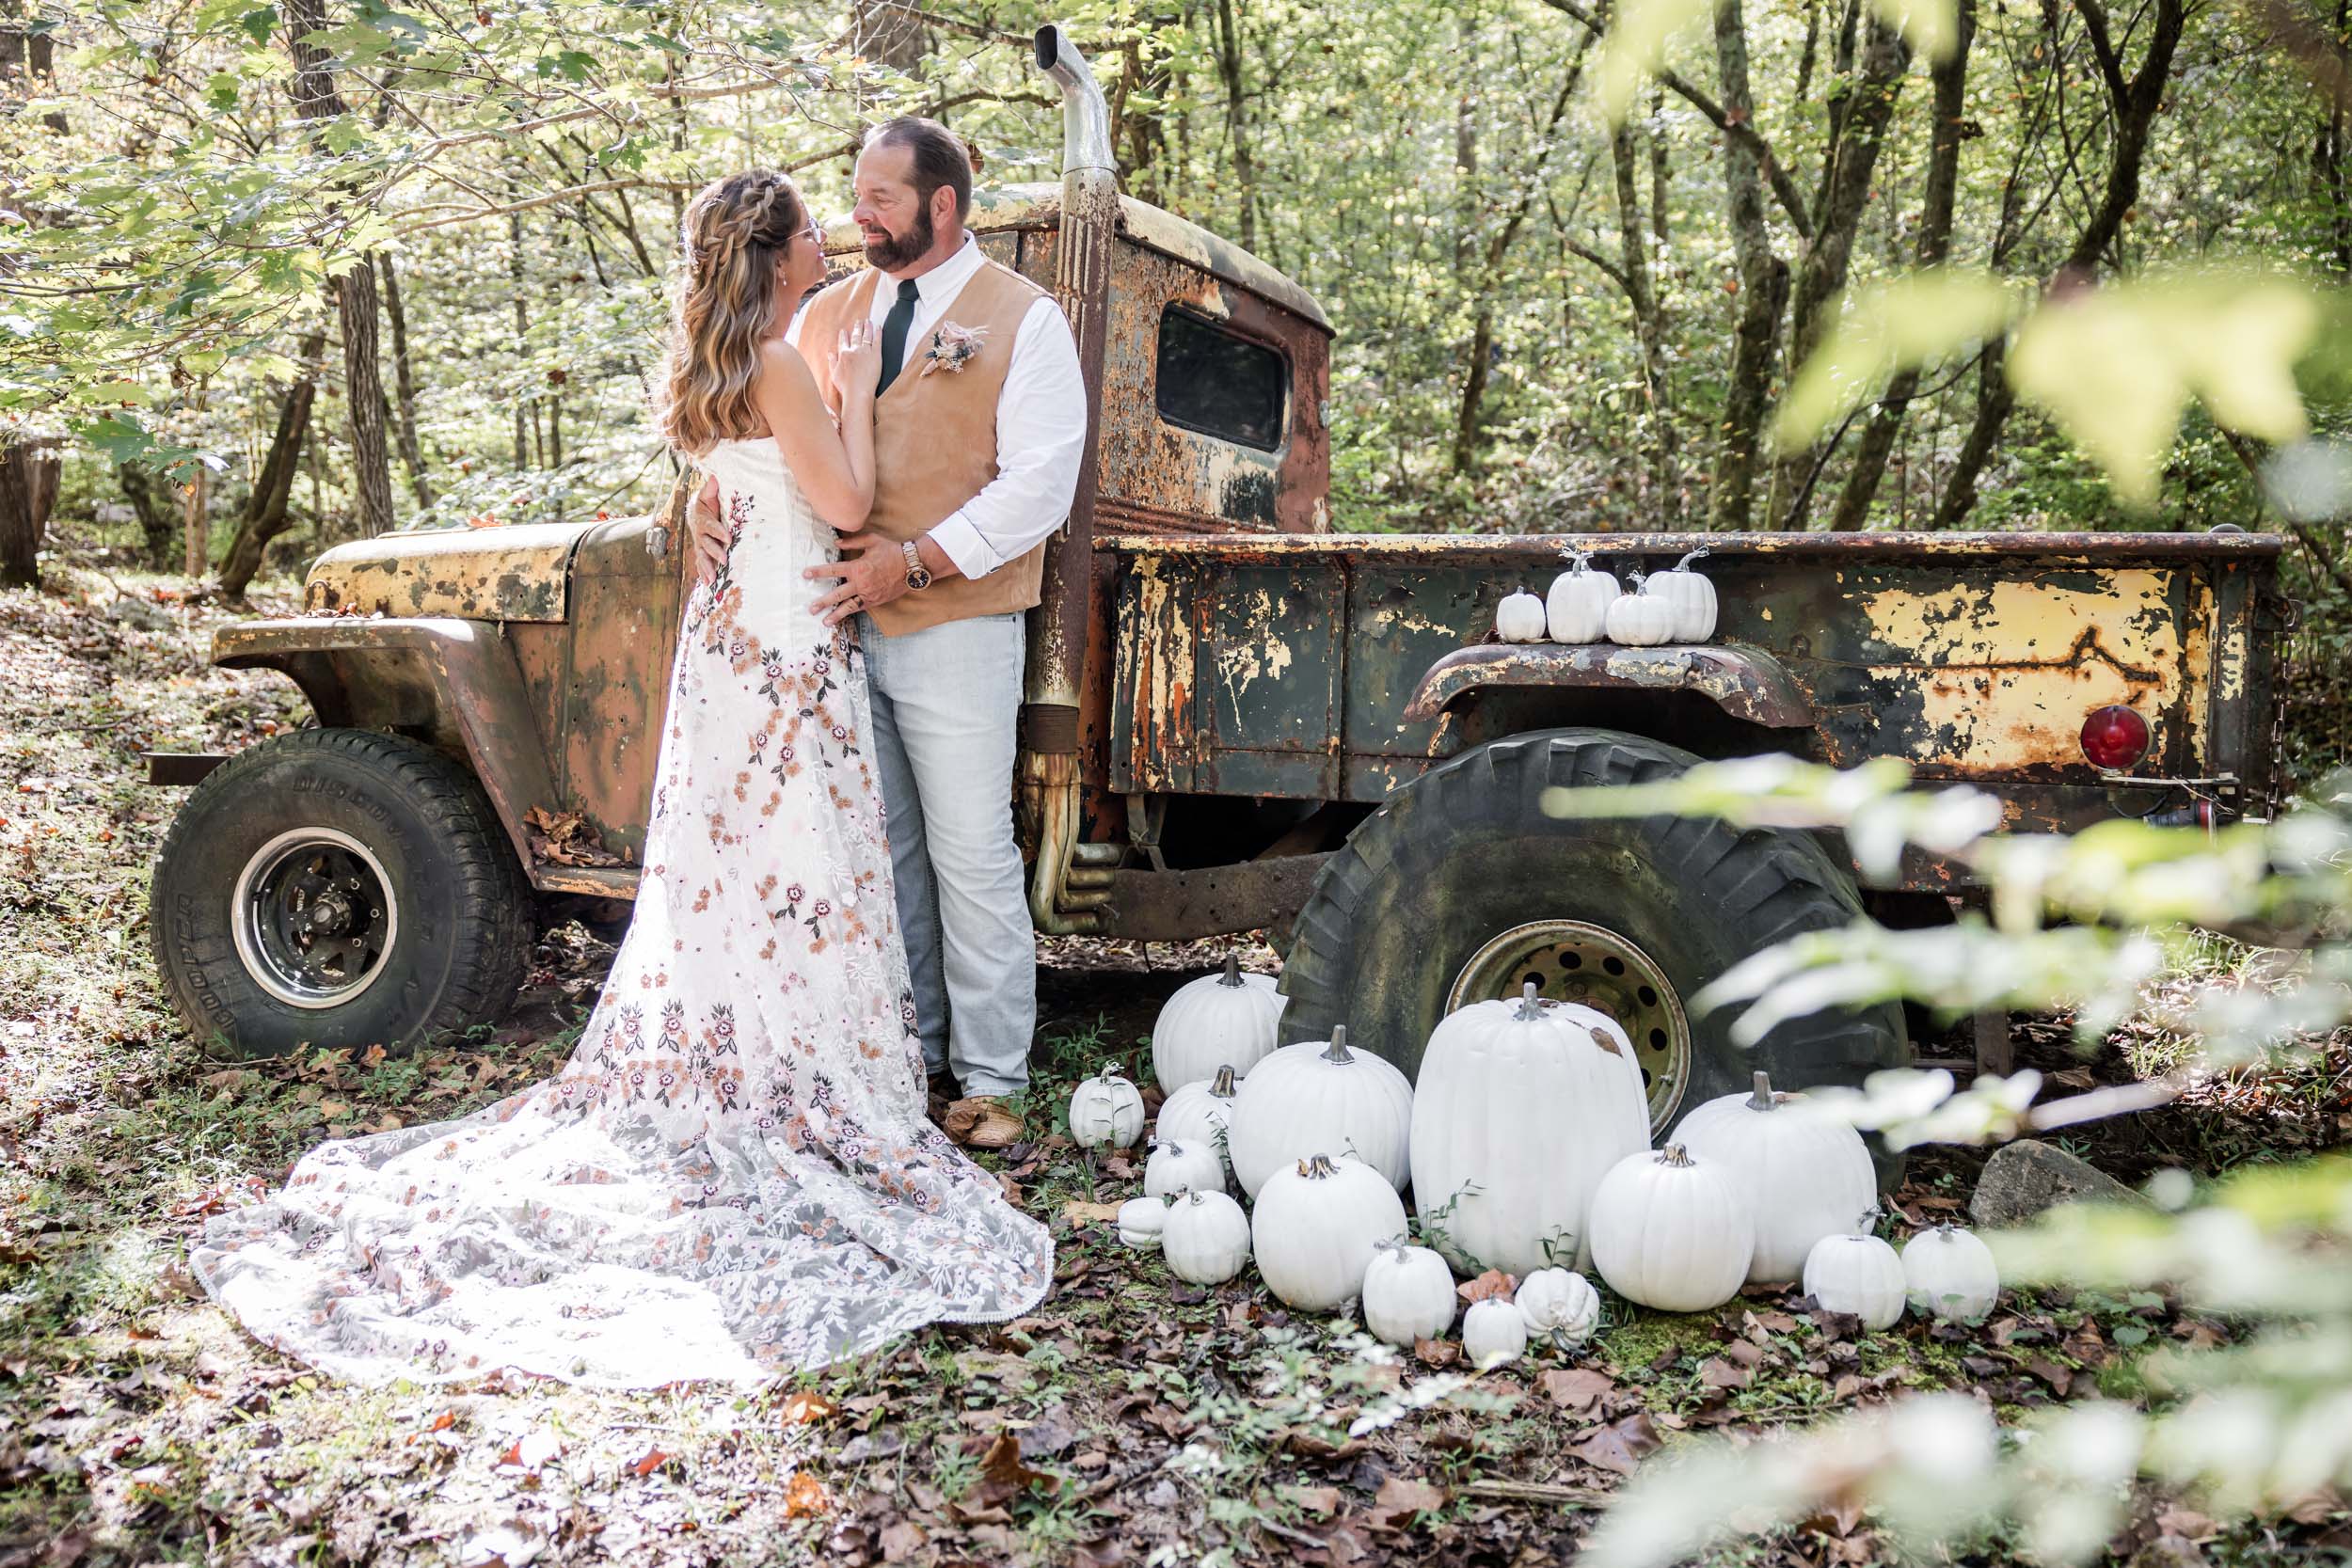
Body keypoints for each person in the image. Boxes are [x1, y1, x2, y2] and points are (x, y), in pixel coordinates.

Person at [185, 170, 1053, 1388]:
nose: (830, 237)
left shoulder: (730, 358)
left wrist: (719, 484)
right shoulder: (790, 360)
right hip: (788, 644)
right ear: (774, 250)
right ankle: (809, 1082)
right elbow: (844, 497)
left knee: (743, 875)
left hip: (737, 644)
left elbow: (726, 479)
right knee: (797, 865)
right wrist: (851, 400)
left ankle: (777, 1064)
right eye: (813, 226)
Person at [689, 117, 1087, 1152]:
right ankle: (913, 1054)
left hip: (956, 621)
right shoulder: (830, 311)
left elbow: (1037, 488)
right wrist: (697, 499)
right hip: (830, 634)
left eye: (879, 199)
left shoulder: (1024, 320)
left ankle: (994, 1077)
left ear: (941, 205)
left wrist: (910, 563)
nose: (857, 215)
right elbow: (760, 425)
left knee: (971, 853)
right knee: (882, 855)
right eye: (853, 197)